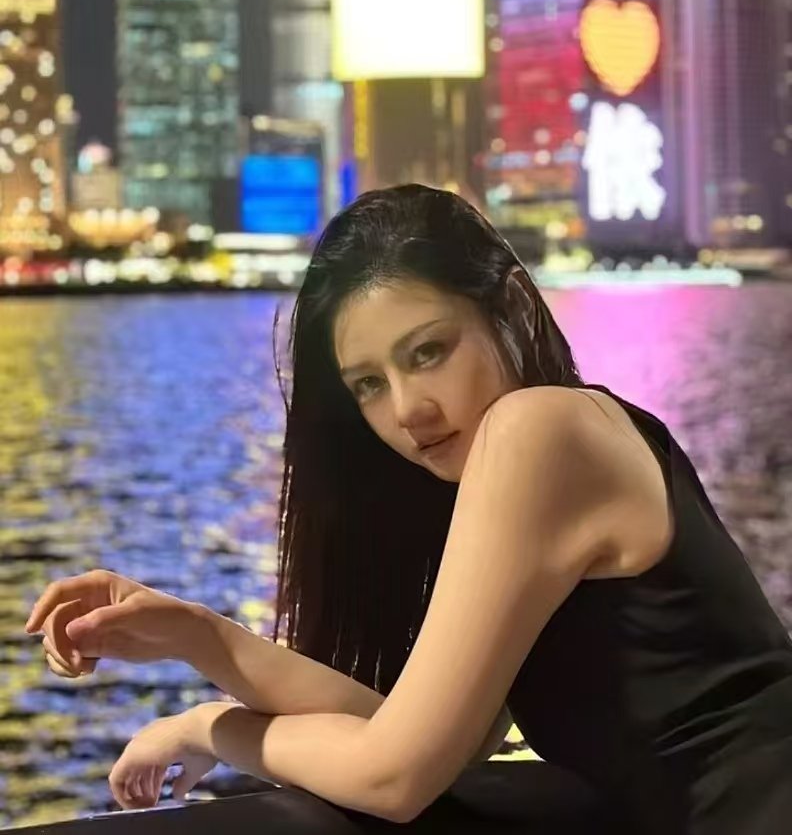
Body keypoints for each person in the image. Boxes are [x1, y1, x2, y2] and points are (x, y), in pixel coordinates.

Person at [25, 183, 792, 832]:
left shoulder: (540, 431)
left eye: (428, 352)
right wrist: (199, 636)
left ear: (513, 307)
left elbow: (394, 776)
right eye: (369, 384)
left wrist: (210, 727)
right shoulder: (560, 440)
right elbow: (435, 737)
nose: (407, 411)